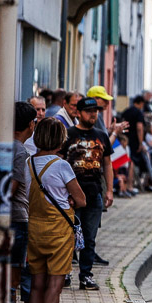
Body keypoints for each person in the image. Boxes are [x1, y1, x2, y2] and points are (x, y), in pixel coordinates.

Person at [26, 118, 86, 303]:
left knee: (36, 286)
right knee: (54, 287)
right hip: (58, 232)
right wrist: (69, 200)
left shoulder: (28, 163)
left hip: (34, 229)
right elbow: (81, 199)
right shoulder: (61, 166)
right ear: (60, 139)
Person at [63, 97, 114, 291]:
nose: (93, 114)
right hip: (71, 194)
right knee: (69, 235)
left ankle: (86, 275)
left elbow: (107, 164)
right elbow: (59, 161)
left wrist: (109, 189)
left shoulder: (101, 135)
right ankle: (65, 272)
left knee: (90, 237)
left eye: (96, 111)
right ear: (78, 113)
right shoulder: (69, 134)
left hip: (94, 193)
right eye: (89, 111)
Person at [9, 102, 37, 303]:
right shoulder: (19, 152)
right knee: (13, 280)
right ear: (30, 125)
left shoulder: (11, 147)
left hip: (14, 219)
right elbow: (13, 187)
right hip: (17, 219)